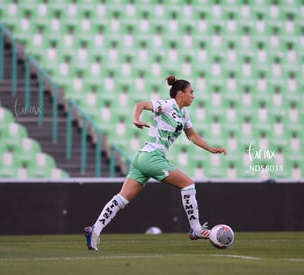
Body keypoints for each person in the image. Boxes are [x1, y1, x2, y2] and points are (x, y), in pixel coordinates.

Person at [84, 75, 227, 251]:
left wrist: (211, 149)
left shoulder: (184, 114)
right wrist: (135, 119)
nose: (193, 96)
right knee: (188, 185)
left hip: (143, 157)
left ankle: (94, 230)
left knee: (121, 199)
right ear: (180, 93)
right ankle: (196, 229)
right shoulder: (168, 105)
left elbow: (192, 136)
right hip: (153, 157)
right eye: (191, 92)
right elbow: (140, 105)